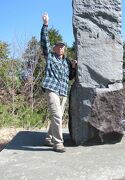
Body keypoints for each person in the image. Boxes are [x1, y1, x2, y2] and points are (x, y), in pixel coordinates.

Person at [41, 13, 76, 153]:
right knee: (56, 115)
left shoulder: (67, 62)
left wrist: (73, 67)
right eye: (58, 46)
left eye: (62, 47)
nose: (61, 48)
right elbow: (44, 42)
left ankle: (48, 138)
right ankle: (58, 143)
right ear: (54, 48)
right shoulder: (50, 56)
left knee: (59, 116)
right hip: (52, 89)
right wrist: (45, 25)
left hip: (63, 92)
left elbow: (70, 77)